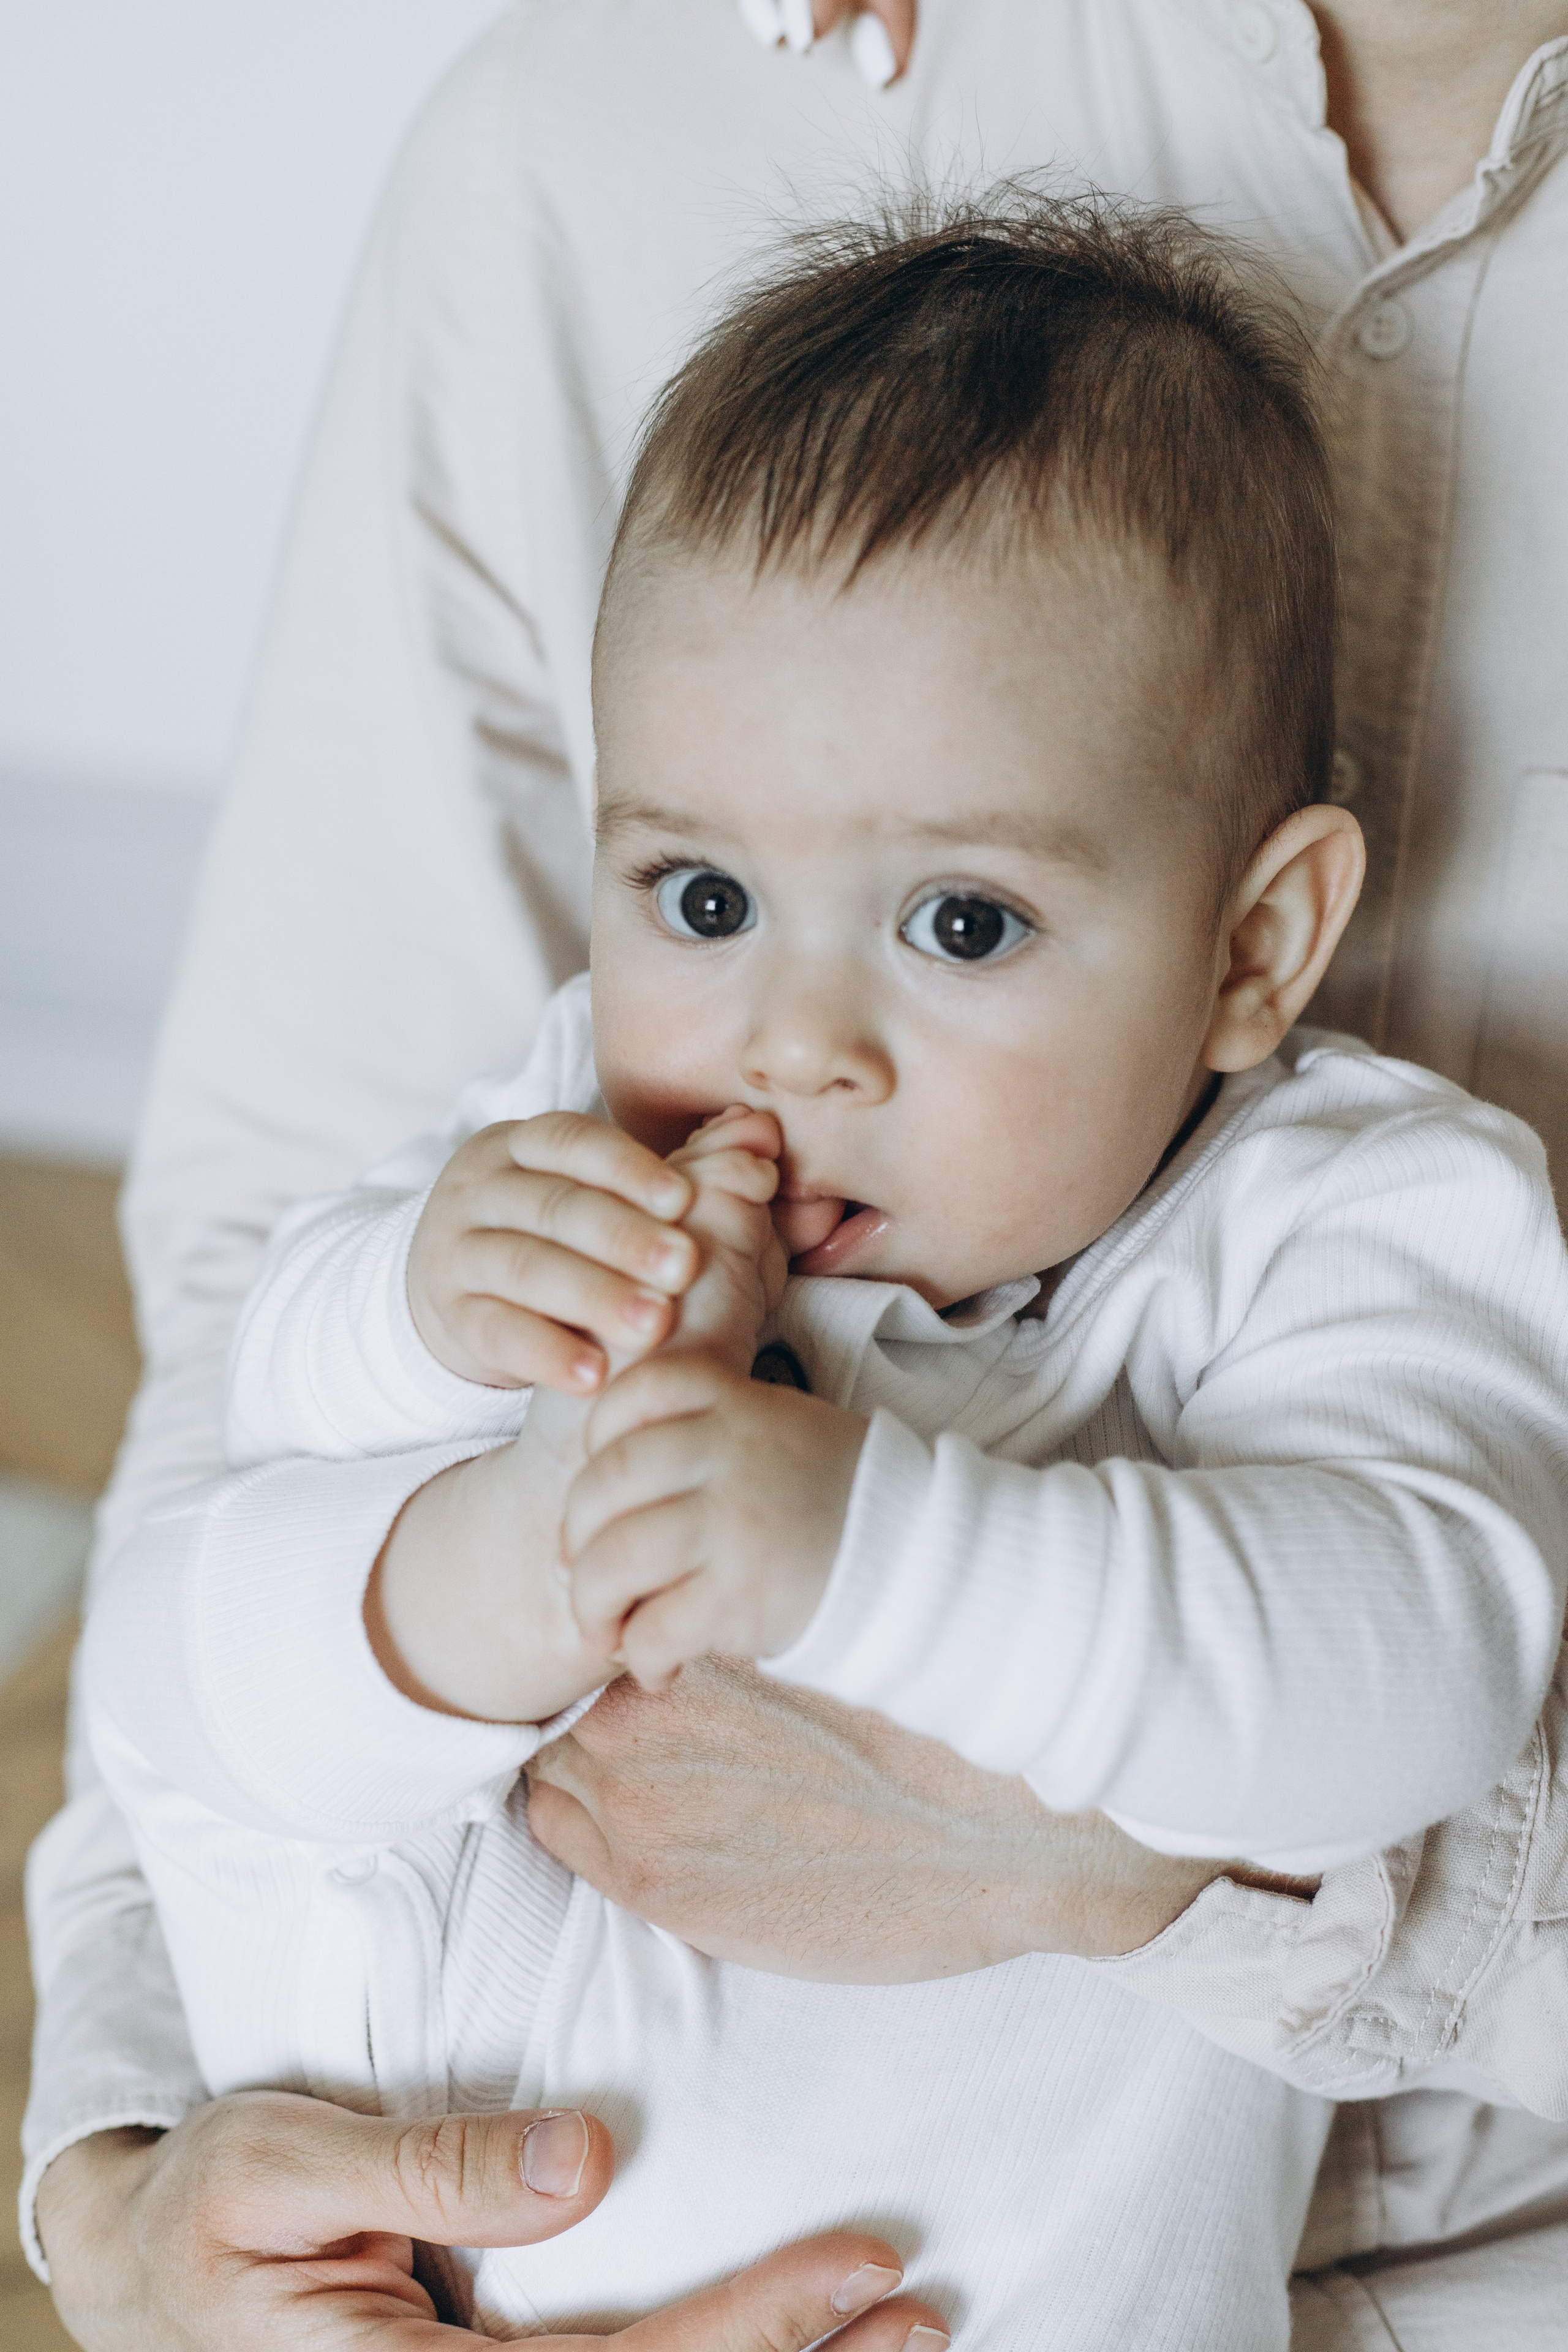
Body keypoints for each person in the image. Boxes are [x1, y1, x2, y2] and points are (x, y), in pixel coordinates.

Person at [23, 2, 1568, 2344]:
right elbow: (204, 1589)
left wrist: (866, 1559)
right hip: (431, 2251)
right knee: (231, 1608)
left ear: (1260, 949)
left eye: (964, 925)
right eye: (700, 898)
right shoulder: (587, 1117)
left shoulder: (1337, 1221)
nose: (791, 1045)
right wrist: (426, 1348)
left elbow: (1412, 1667)